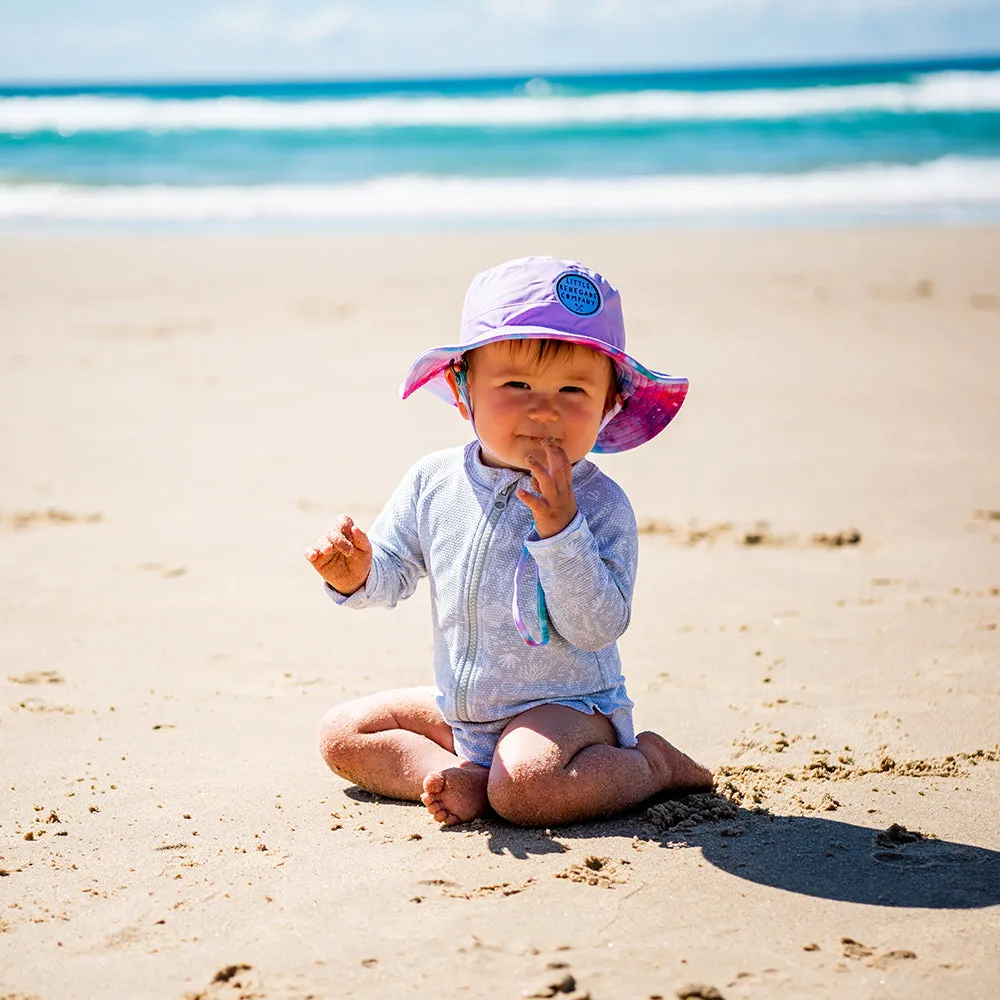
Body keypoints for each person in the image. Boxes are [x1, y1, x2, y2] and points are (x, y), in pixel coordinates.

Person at [306, 256, 712, 827]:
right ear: (463, 386)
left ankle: (650, 764)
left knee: (529, 789)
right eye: (516, 384)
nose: (544, 408)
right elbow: (393, 570)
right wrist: (355, 575)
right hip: (465, 711)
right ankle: (467, 776)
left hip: (567, 712)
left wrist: (561, 531)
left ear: (608, 405)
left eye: (573, 389)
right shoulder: (434, 481)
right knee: (343, 731)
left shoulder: (599, 505)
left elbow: (599, 627)